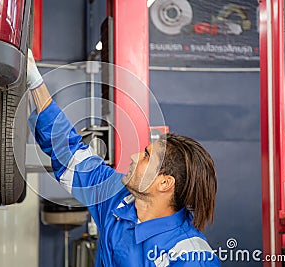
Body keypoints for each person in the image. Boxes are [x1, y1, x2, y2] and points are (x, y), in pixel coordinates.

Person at [26, 50, 221, 267]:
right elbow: (68, 151)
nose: (135, 156)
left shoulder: (188, 257)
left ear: (164, 183)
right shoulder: (118, 199)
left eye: (146, 156)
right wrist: (34, 80)